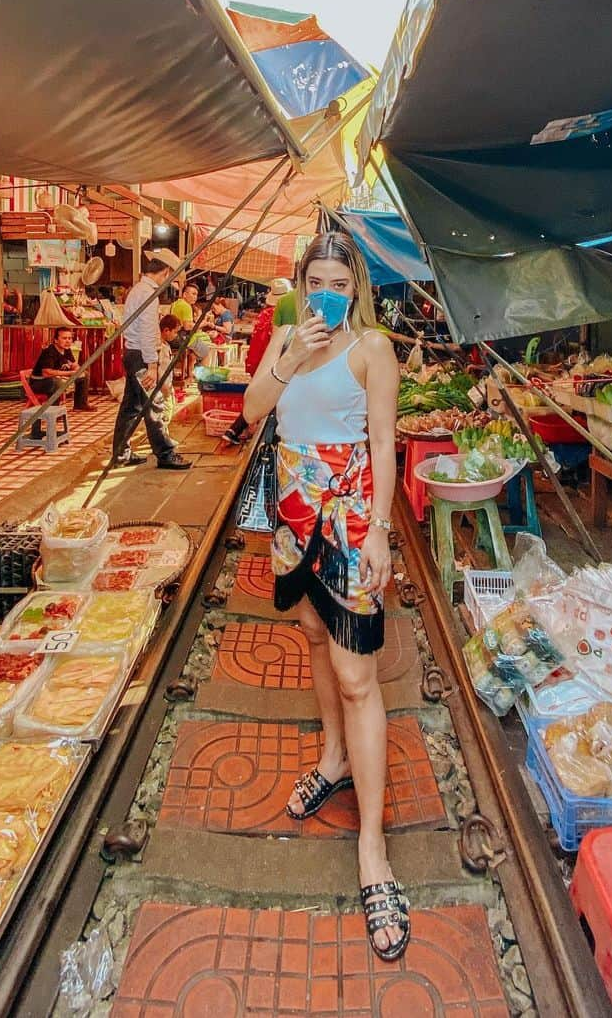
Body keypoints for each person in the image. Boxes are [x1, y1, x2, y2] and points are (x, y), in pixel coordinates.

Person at [242, 231, 408, 962]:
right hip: (292, 516)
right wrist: (287, 355)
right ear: (301, 284)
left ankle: (372, 848)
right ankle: (333, 758)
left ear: (356, 285)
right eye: (318, 281)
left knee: (358, 675)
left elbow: (381, 443)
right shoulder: (285, 338)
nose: (328, 293)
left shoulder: (373, 348)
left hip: (346, 517)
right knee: (312, 637)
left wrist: (380, 532)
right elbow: (252, 414)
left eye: (341, 281)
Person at [112, 250, 192, 470]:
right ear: (165, 271)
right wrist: (152, 365)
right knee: (154, 404)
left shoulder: (138, 290)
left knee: (131, 407)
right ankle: (165, 454)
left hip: (133, 353)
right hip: (140, 357)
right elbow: (147, 333)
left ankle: (121, 454)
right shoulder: (147, 293)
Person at [222, 277, 292, 446]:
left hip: (258, 362)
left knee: (257, 399)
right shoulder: (284, 312)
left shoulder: (264, 314)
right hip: (273, 365)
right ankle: (254, 435)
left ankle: (236, 430)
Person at [31, 326, 91, 410]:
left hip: (55, 377)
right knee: (57, 382)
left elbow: (75, 365)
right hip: (39, 382)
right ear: (56, 340)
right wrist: (70, 373)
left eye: (69, 338)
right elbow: (46, 373)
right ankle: (54, 410)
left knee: (84, 375)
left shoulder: (67, 350)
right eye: (64, 338)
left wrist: (78, 370)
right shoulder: (49, 352)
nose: (68, 341)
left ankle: (80, 404)